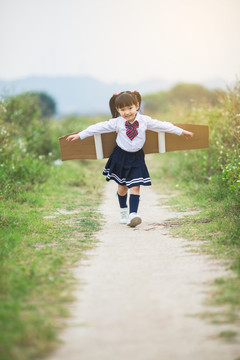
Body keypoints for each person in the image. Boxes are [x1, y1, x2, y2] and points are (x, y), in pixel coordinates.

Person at [66, 90, 193, 227]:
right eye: (123, 109)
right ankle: (123, 211)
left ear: (137, 106)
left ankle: (133, 214)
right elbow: (98, 128)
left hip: (137, 157)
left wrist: (181, 132)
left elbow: (163, 125)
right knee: (122, 188)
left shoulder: (144, 120)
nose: (127, 112)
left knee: (135, 186)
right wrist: (81, 135)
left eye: (130, 108)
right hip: (121, 157)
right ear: (117, 110)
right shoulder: (117, 123)